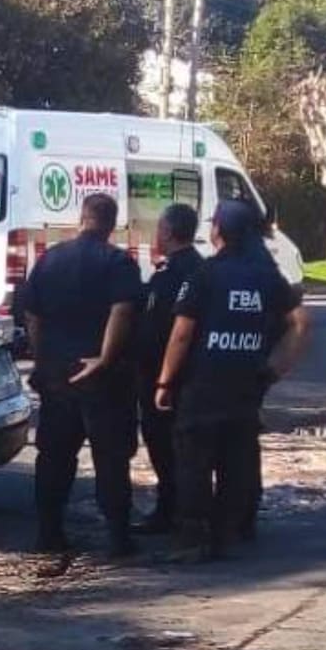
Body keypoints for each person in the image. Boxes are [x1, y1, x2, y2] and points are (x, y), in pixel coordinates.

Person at [155, 200, 309, 561]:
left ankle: (193, 538)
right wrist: (275, 368)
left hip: (202, 386)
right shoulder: (267, 277)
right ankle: (229, 532)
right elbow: (302, 324)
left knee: (194, 460)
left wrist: (164, 381)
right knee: (236, 459)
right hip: (246, 384)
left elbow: (181, 334)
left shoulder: (206, 275)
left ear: (218, 232)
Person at [25, 193, 143, 557]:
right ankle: (119, 537)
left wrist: (42, 359)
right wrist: (105, 358)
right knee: (110, 457)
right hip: (103, 378)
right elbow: (122, 311)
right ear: (111, 224)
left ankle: (48, 533)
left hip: (58, 373)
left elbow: (32, 316)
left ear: (82, 218)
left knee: (55, 456)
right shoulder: (119, 262)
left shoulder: (50, 259)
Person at [134, 204, 203, 535]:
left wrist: (163, 380)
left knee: (165, 444)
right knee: (174, 445)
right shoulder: (195, 268)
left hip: (167, 375)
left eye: (158, 228)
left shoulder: (176, 274)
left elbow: (173, 330)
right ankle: (179, 508)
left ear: (168, 233)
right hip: (181, 374)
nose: (154, 234)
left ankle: (173, 511)